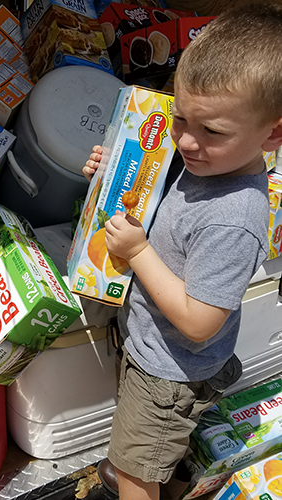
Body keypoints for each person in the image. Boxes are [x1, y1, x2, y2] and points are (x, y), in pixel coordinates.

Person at [82, 4, 282, 500]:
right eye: (179, 118)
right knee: (147, 456)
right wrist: (113, 172)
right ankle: (166, 476)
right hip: (152, 347)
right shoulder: (204, 163)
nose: (187, 142)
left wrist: (139, 251)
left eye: (211, 131)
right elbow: (156, 191)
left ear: (273, 134)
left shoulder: (235, 217)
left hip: (170, 373)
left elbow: (199, 321)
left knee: (134, 473)